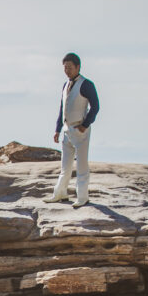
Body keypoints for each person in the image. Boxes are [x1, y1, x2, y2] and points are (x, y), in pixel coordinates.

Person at [47, 52, 100, 208]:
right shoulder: (65, 85)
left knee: (82, 165)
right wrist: (57, 129)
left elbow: (95, 106)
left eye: (70, 67)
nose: (67, 70)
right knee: (65, 166)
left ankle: (82, 197)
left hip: (80, 129)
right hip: (66, 129)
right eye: (65, 67)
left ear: (78, 67)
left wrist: (85, 125)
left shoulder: (86, 84)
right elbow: (62, 108)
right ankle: (60, 193)